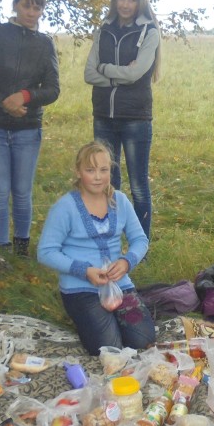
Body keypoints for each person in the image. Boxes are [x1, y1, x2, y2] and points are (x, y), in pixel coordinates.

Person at [0, 0, 60, 256]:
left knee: (22, 191)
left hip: (27, 129)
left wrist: (25, 96)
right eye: (26, 6)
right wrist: (3, 101)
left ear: (42, 11)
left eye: (37, 8)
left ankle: (21, 248)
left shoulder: (45, 44)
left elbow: (53, 89)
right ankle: (1, 248)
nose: (31, 12)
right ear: (15, 5)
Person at [37, 141, 155, 355]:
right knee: (108, 347)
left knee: (143, 339)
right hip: (81, 289)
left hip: (119, 284)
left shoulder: (120, 201)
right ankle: (91, 319)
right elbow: (46, 252)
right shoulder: (65, 207)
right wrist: (84, 270)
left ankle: (113, 317)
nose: (98, 177)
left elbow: (140, 239)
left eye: (104, 170)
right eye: (90, 170)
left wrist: (127, 261)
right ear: (78, 172)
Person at [83, 0, 161, 238]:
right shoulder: (103, 30)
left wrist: (105, 69)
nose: (126, 4)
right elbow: (88, 73)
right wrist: (119, 74)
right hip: (103, 116)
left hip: (135, 118)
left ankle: (141, 245)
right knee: (106, 182)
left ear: (140, 2)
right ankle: (110, 240)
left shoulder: (149, 32)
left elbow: (136, 73)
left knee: (138, 186)